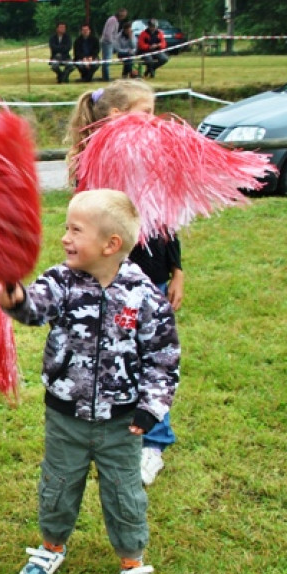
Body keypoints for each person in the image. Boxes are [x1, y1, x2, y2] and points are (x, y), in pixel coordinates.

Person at [0, 188, 180, 574]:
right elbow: (34, 308)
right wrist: (15, 297)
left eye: (75, 230)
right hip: (66, 416)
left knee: (124, 492)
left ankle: (133, 562)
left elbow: (163, 357)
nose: (65, 238)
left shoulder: (143, 294)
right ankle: (51, 546)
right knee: (58, 485)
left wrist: (151, 407)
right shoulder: (60, 281)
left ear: (110, 245)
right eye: (66, 228)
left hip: (122, 422)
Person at [64, 80, 185, 487]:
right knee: (118, 353)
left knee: (153, 356)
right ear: (117, 117)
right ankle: (119, 434)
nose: (153, 121)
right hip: (110, 277)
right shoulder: (95, 167)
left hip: (152, 276)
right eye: (145, 112)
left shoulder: (152, 161)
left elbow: (166, 220)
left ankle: (153, 443)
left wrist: (178, 270)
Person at [100, 9, 128, 82]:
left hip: (110, 42)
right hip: (107, 43)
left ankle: (105, 77)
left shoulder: (116, 21)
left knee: (108, 60)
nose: (124, 16)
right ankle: (106, 78)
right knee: (107, 60)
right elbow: (108, 33)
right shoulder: (112, 20)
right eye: (123, 15)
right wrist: (112, 42)